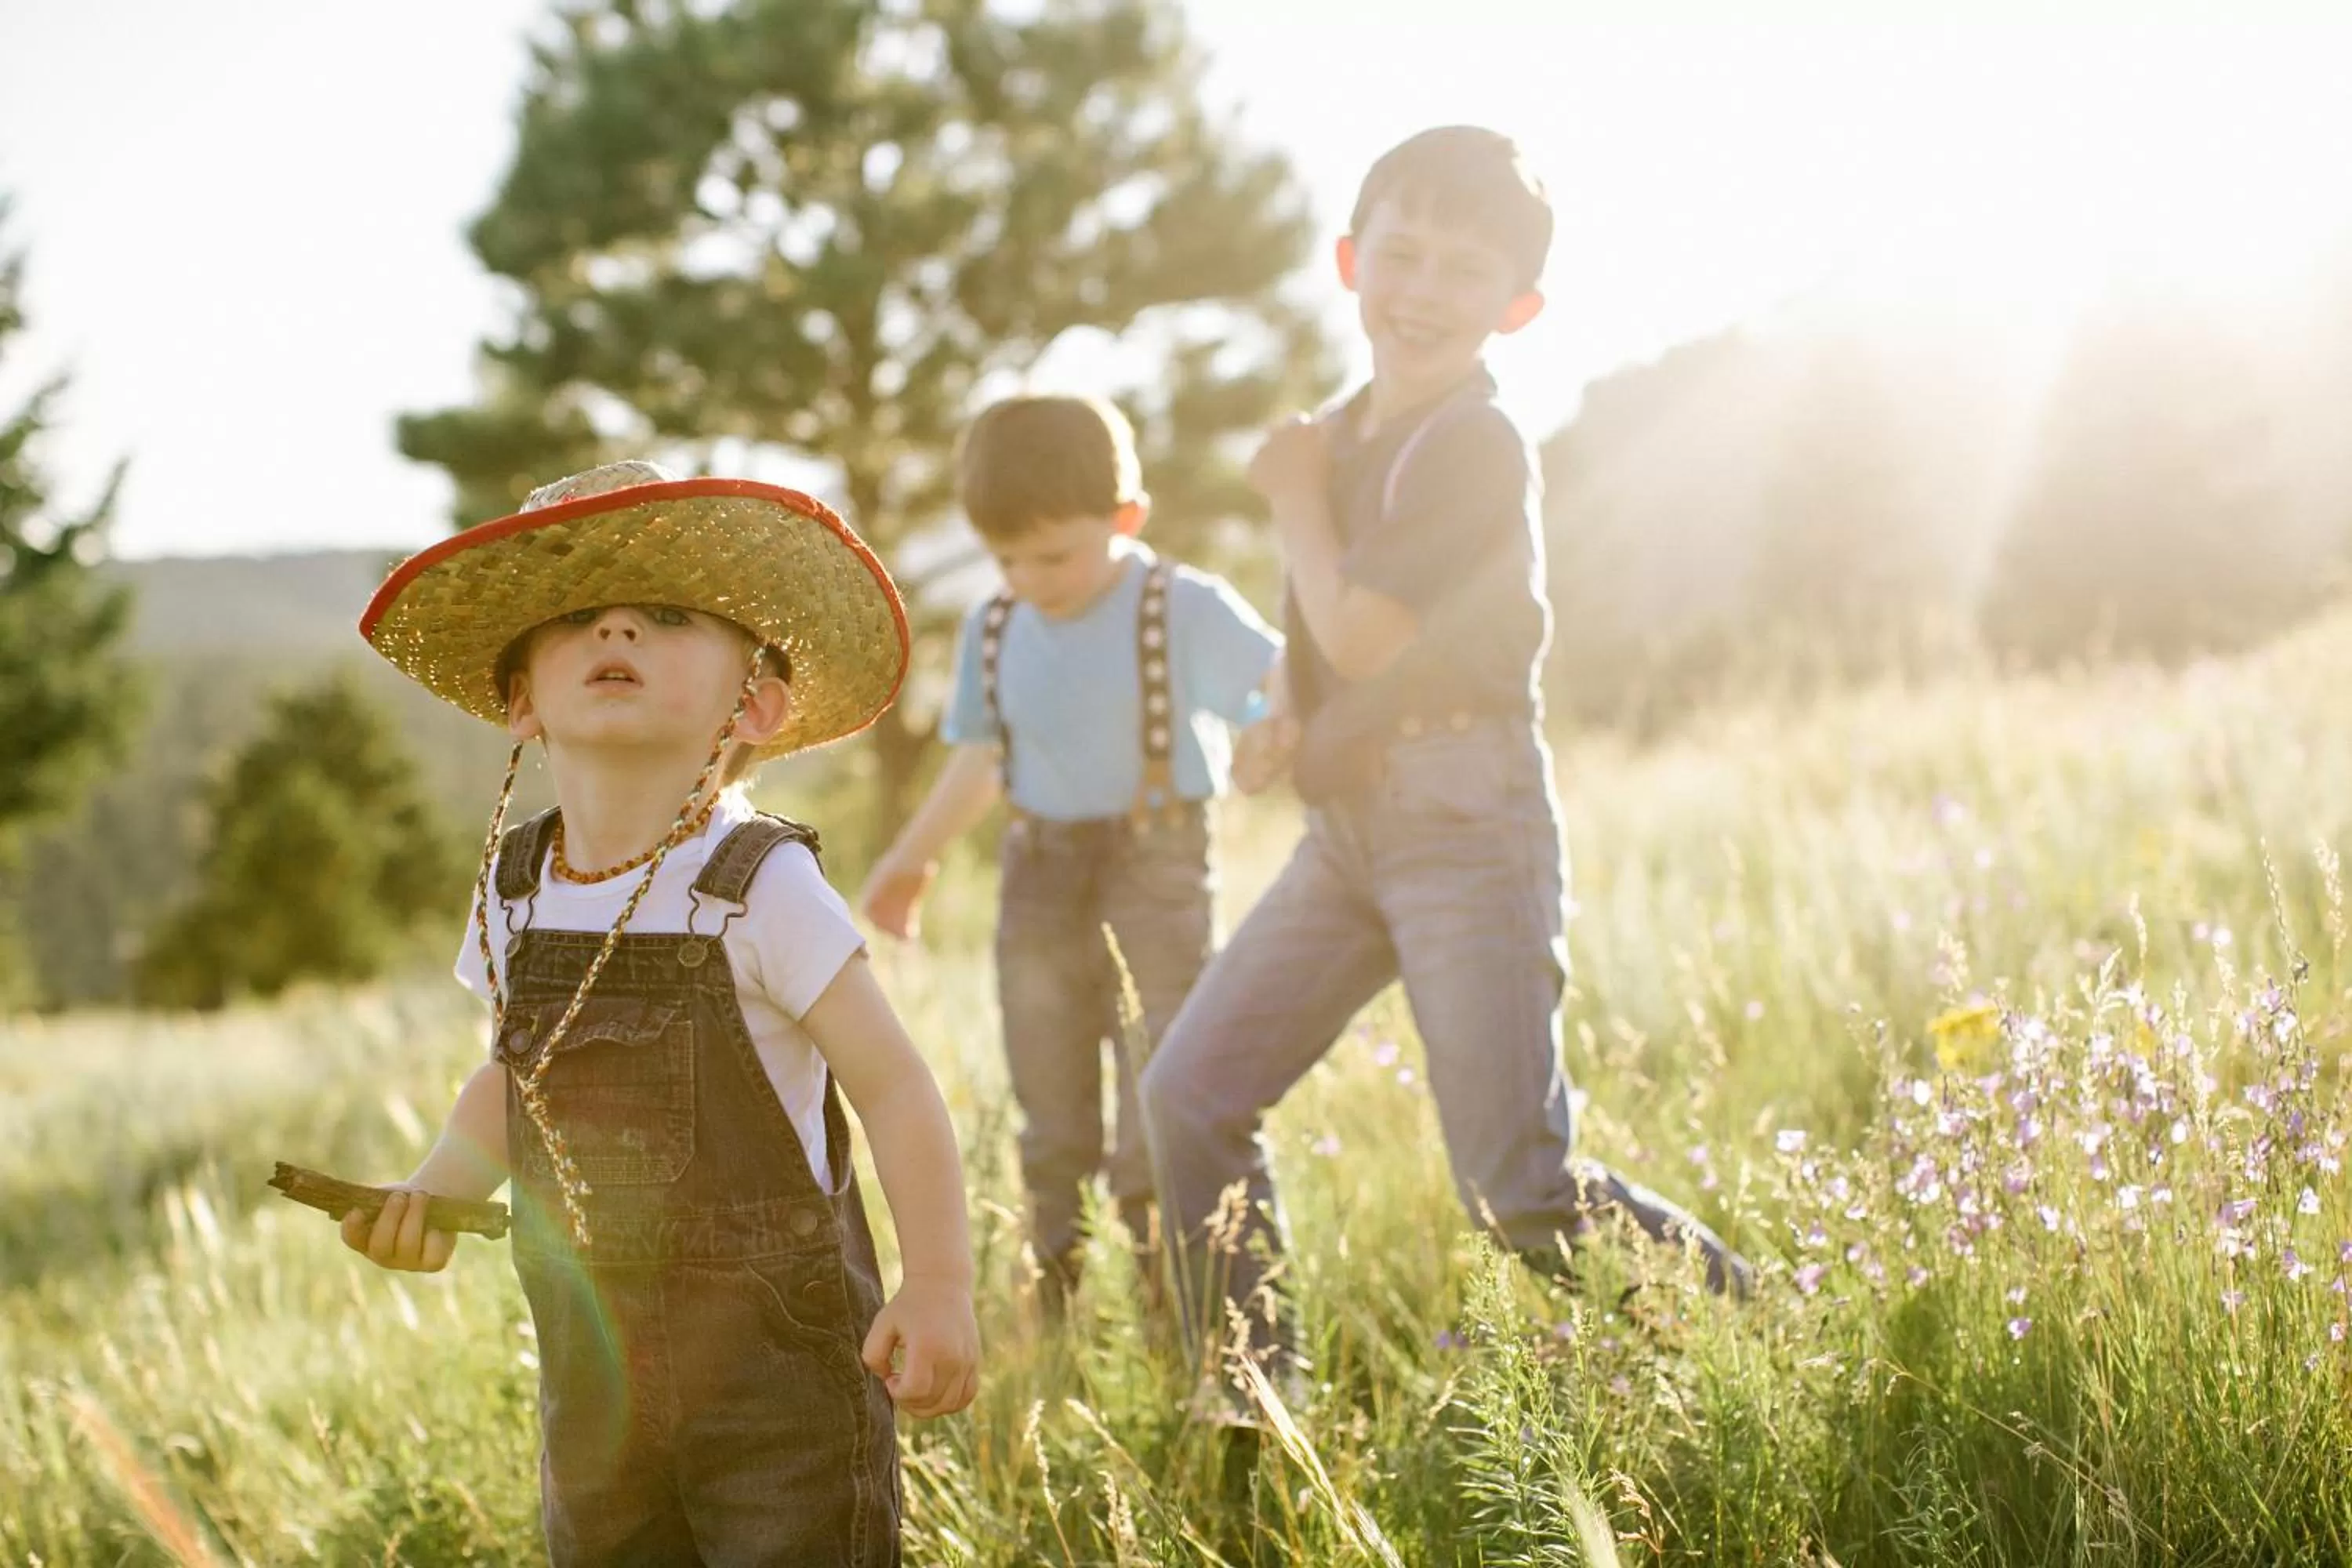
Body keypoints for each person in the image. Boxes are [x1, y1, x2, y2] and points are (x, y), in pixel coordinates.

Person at [1139, 127, 1753, 1413]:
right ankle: (1250, 1400)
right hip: (1350, 834)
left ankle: (1757, 1338)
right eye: (1402, 254)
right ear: (1351, 261)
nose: (1422, 291)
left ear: (1515, 309)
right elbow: (1326, 641)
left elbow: (1367, 628)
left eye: (1465, 272)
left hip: (1468, 821)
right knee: (1189, 1093)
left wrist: (1291, 497)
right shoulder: (1346, 435)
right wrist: (1284, 715)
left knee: (1515, 1188)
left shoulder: (1472, 445)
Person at [346, 460, 978, 1566]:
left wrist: (938, 1285)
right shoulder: (514, 890)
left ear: (755, 704)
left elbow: (892, 1086)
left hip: (779, 1383)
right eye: (577, 618)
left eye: (669, 616)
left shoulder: (760, 884)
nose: (617, 627)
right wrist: (436, 1191)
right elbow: (514, 1076)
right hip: (593, 1374)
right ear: (522, 699)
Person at [860, 395, 1281, 1325]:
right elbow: (981, 758)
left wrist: (1266, 731)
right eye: (1006, 558)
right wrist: (909, 858)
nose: (1029, 579)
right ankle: (1052, 1315)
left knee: (1157, 1112)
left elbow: (1280, 684)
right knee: (1051, 1120)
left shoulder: (1181, 605)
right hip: (1038, 877)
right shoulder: (997, 624)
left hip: (1157, 875)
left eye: (1052, 557)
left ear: (1126, 517)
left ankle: (1179, 1321)